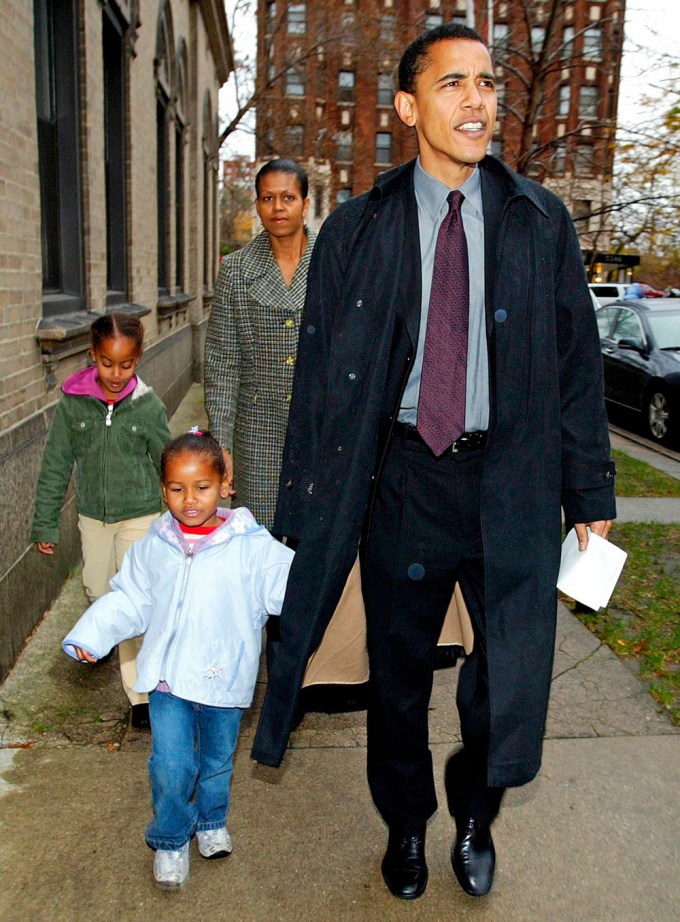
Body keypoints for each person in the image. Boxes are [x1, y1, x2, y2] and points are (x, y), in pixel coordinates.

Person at [252, 23, 616, 903]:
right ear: (412, 106)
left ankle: (476, 813)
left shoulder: (540, 222)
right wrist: (301, 500)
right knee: (400, 679)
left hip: (513, 484)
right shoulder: (357, 229)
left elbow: (576, 366)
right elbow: (317, 378)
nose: (478, 99)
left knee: (509, 680)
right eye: (454, 83)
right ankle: (409, 825)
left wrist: (590, 489)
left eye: (488, 82)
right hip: (406, 482)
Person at [62, 431, 294, 889]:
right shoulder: (154, 545)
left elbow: (293, 591)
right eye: (176, 488)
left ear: (225, 484)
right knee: (170, 765)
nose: (189, 500)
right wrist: (92, 635)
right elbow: (130, 599)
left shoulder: (253, 546)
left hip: (224, 678)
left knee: (216, 761)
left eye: (202, 487)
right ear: (163, 488)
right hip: (167, 680)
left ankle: (210, 822)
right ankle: (169, 840)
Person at [31, 312, 171, 729]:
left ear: (138, 359)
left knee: (132, 603)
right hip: (93, 516)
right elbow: (56, 464)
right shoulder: (73, 404)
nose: (115, 373)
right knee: (96, 589)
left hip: (140, 517)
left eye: (126, 364)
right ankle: (105, 628)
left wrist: (184, 515)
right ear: (93, 355)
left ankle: (141, 697)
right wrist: (44, 523)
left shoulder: (149, 406)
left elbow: (168, 464)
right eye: (107, 362)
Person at [205, 158, 317, 529]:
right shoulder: (236, 270)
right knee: (259, 539)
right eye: (267, 198)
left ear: (306, 203)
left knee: (314, 544)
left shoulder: (335, 263)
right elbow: (222, 362)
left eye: (288, 197)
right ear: (257, 204)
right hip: (257, 434)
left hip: (319, 429)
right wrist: (222, 443)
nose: (278, 207)